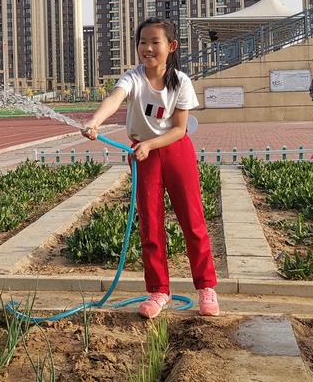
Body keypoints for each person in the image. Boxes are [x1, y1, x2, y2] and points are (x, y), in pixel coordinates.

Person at [82, 17, 220, 319]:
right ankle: (158, 290)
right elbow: (114, 99)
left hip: (175, 151)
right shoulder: (133, 78)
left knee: (192, 221)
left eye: (154, 42)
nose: (147, 48)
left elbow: (180, 129)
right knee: (150, 224)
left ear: (171, 46)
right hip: (144, 154)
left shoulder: (181, 82)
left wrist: (150, 145)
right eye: (142, 42)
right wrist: (95, 121)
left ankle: (206, 288)